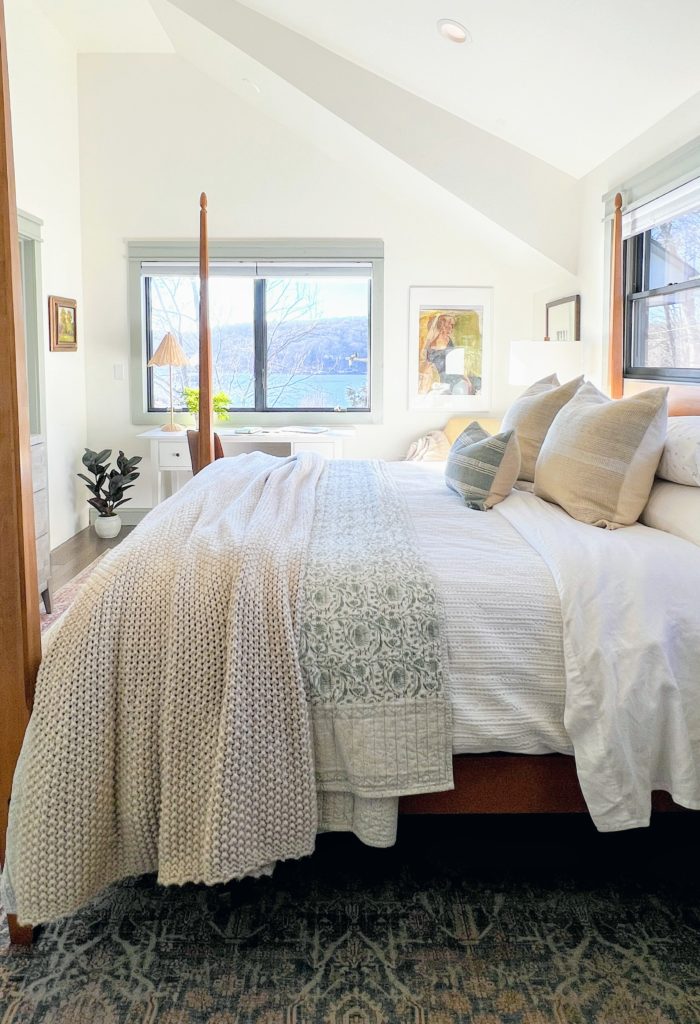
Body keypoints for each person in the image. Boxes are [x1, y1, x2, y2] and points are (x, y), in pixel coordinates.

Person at [418, 313, 475, 395]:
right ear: (442, 326)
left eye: (452, 326)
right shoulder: (434, 344)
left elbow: (456, 362)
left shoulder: (448, 339)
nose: (451, 328)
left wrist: (467, 379)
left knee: (472, 384)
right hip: (443, 380)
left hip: (454, 375)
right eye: (450, 325)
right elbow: (430, 369)